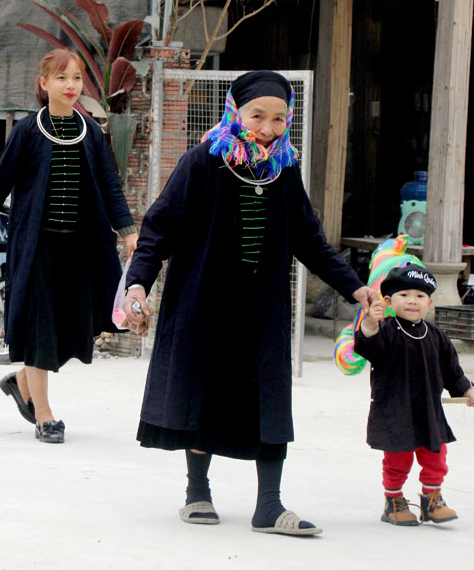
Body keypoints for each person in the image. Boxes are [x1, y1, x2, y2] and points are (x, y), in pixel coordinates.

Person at [123, 70, 376, 536]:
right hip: (203, 301)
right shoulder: (203, 162)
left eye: (279, 118)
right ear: (235, 112)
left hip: (263, 309)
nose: (268, 126)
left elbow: (310, 241)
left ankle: (270, 506)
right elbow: (159, 229)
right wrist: (138, 284)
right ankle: (197, 493)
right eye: (258, 115)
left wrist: (354, 287)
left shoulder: (284, 170)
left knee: (269, 398)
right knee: (203, 392)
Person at [0, 49, 137, 444]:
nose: (71, 85)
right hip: (36, 248)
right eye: (61, 78)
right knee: (40, 328)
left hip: (80, 250)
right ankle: (44, 415)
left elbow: (110, 186)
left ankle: (21, 380)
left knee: (73, 324)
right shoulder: (27, 131)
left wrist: (128, 232)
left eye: (76, 78)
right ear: (44, 84)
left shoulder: (91, 133)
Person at [350, 262, 474, 526]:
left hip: (429, 409)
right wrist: (370, 323)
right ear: (388, 300)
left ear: (430, 303)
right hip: (395, 408)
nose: (412, 301)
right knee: (397, 458)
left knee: (436, 455)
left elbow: (452, 371)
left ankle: (432, 499)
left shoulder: (436, 336)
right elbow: (368, 348)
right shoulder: (385, 329)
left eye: (420, 296)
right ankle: (394, 501)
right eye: (404, 295)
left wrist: (468, 390)